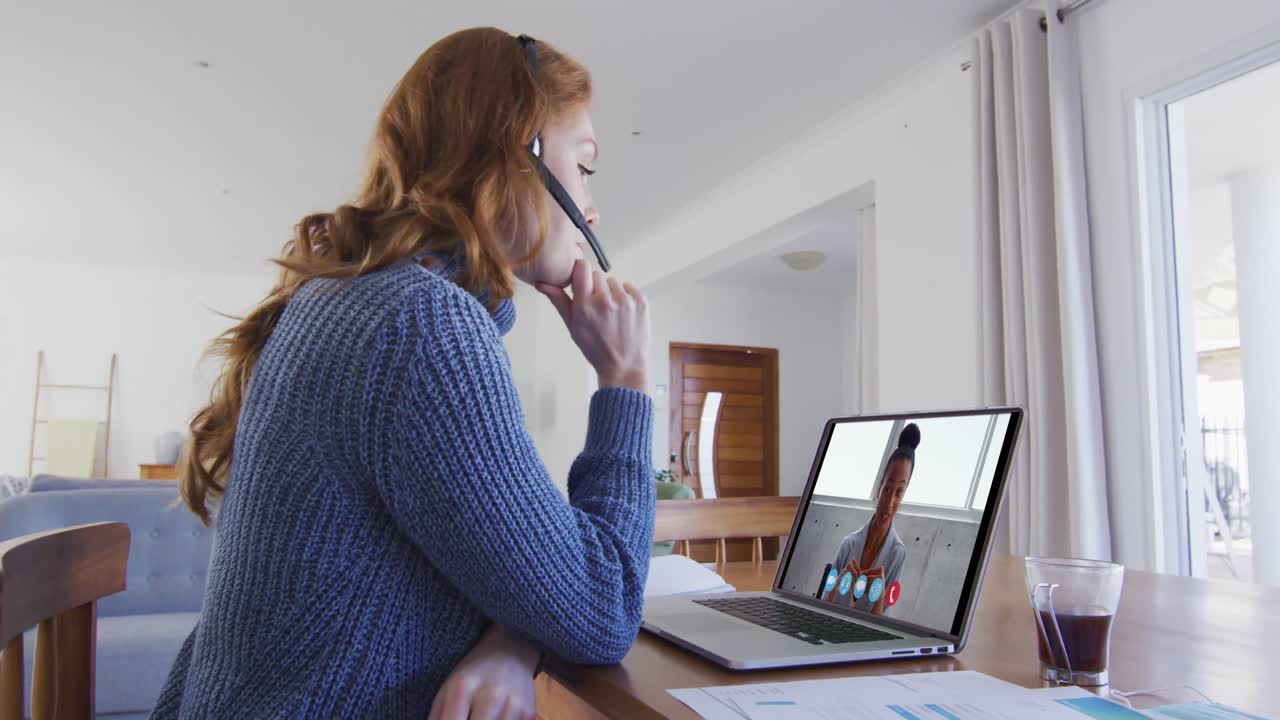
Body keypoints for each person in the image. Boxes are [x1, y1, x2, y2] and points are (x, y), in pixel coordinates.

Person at [151, 28, 654, 720]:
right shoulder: (424, 329)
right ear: (519, 154)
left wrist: (511, 639)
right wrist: (624, 381)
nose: (592, 206)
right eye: (585, 165)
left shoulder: (360, 302)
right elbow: (603, 608)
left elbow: (517, 560)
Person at [821, 423, 921, 616]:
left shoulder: (897, 554)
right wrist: (839, 582)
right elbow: (823, 606)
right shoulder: (848, 544)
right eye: (887, 489)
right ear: (879, 487)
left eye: (899, 492)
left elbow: (883, 624)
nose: (890, 502)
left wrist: (881, 595)